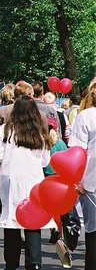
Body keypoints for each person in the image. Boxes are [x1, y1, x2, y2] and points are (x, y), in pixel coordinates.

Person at [0, 95, 54, 270]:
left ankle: (11, 263)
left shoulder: (4, 131)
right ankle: (34, 263)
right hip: (33, 179)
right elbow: (45, 161)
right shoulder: (39, 133)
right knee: (32, 221)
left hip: (10, 178)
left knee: (11, 221)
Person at [69, 77, 96, 270]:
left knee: (93, 229)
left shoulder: (86, 116)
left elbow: (77, 151)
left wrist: (80, 182)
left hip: (91, 179)